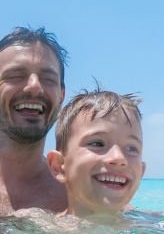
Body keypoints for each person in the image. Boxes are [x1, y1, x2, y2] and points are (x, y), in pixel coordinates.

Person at [0, 27, 69, 215]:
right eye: (16, 76)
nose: (35, 86)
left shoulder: (76, 194)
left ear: (61, 96)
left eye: (48, 79)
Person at [45, 89, 146, 223]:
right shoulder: (37, 230)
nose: (118, 158)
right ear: (59, 166)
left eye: (131, 148)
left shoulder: (152, 229)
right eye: (97, 143)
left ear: (141, 172)